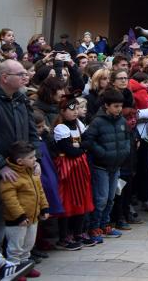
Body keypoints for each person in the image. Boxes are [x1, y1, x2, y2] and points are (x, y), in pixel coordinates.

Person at [0, 60, 41, 248]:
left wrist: (35, 159)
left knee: (6, 219)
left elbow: (33, 133)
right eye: (20, 74)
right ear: (4, 77)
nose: (25, 76)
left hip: (19, 170)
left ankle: (5, 264)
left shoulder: (22, 99)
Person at [81, 89, 130, 240]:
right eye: (115, 106)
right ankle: (94, 227)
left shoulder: (122, 121)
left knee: (110, 197)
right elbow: (89, 141)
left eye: (120, 106)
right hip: (100, 166)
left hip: (115, 166)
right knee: (101, 198)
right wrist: (102, 153)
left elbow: (127, 137)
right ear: (106, 106)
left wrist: (125, 151)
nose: (119, 109)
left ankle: (105, 224)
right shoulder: (97, 122)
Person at [0, 141, 48, 275]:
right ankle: (14, 271)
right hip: (17, 220)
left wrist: (44, 208)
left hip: (33, 217)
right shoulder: (11, 177)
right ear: (20, 161)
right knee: (15, 248)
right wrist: (19, 216)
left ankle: (25, 267)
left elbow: (40, 191)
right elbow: (10, 199)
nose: (35, 159)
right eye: (31, 157)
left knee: (28, 246)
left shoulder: (31, 172)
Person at [52, 98, 95, 249]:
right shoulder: (60, 128)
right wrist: (81, 148)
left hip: (81, 166)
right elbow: (69, 150)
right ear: (63, 111)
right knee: (69, 200)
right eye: (71, 109)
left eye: (76, 108)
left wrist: (79, 146)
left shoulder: (79, 124)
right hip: (68, 168)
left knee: (82, 197)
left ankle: (79, 232)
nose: (75, 111)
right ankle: (65, 236)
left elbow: (90, 141)